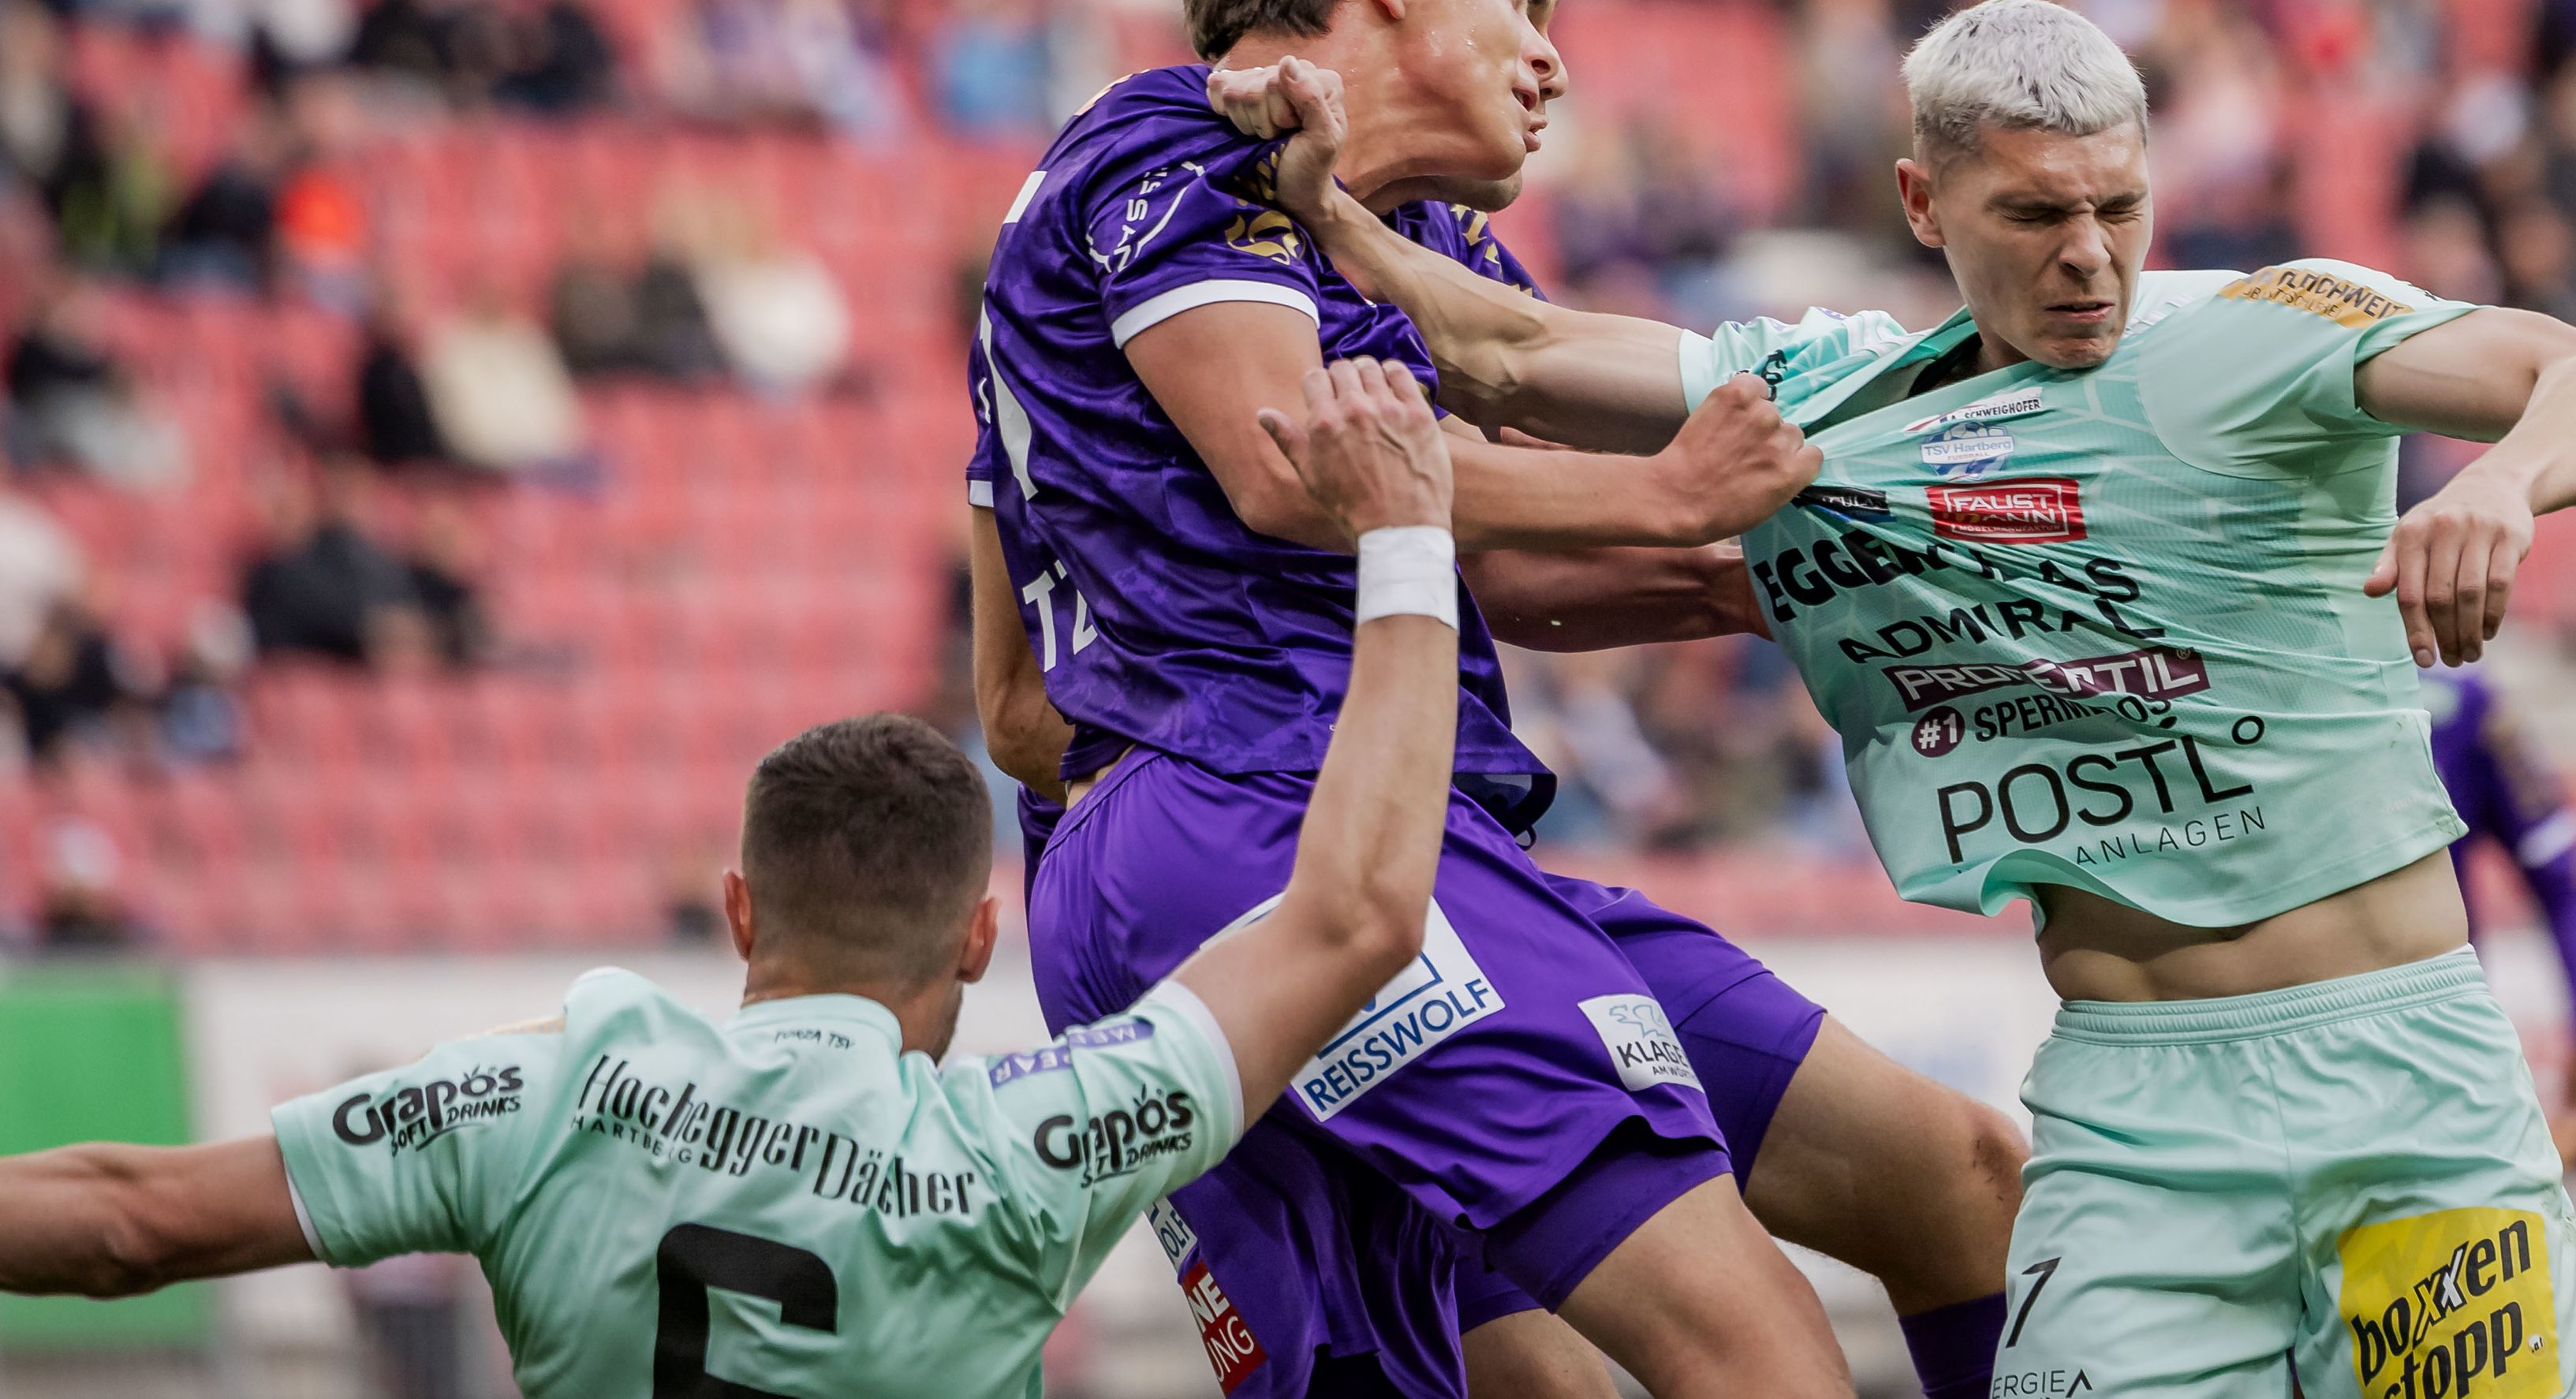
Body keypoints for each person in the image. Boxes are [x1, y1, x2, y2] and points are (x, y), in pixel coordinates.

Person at [1216, 0, 2576, 1399]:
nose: (2091, 258)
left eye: (2119, 207)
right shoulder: (1840, 388)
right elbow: (1508, 352)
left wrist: (2504, 479)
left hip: (2403, 1088)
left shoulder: (2276, 328)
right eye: (2037, 216)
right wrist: (1320, 194)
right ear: (1926, 206)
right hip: (2131, 1124)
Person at [967, 0, 2023, 1399]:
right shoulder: (1172, 140)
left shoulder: (1415, 251)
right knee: (1756, 1359)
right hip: (1261, 827)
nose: (1552, 55)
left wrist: (1774, 587)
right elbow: (1294, 466)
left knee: (1955, 1180)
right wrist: (1677, 496)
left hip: (1382, 820)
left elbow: (1499, 558)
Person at [0, 358, 1485, 1399]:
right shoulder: (1033, 1142)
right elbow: (1354, 916)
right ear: (980, 939)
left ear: (738, 908)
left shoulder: (558, 1092)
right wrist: (1409, 538)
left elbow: (134, 1219)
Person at [2422, 666, 2576, 1164]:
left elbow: (2564, 883)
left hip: (2438, 1051)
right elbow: (2567, 888)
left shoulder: (2469, 707)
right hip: (2275, 1041)